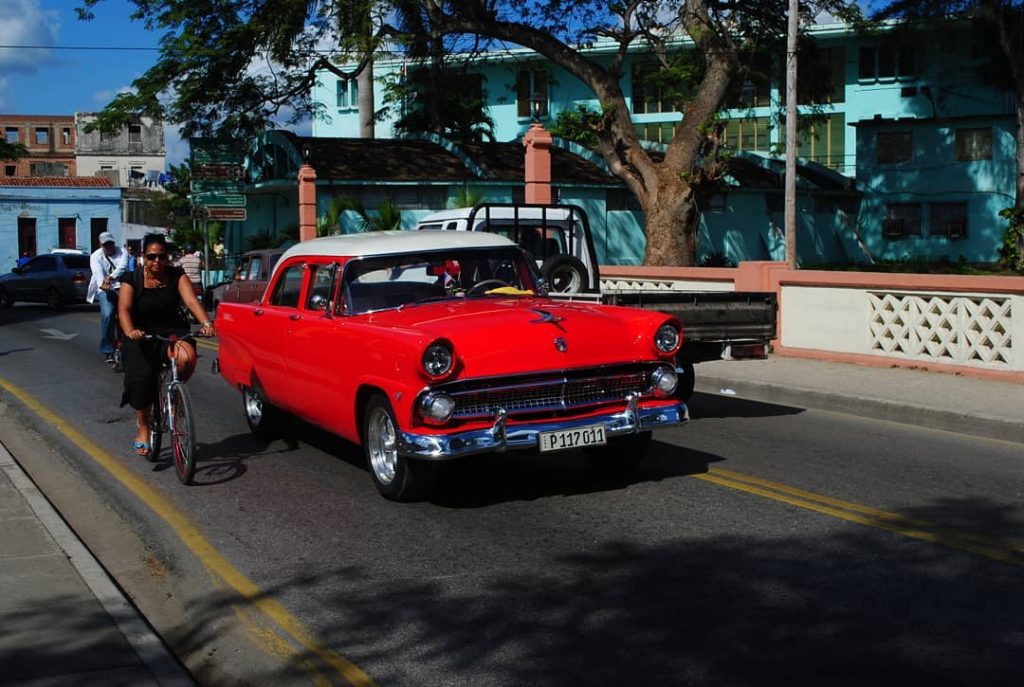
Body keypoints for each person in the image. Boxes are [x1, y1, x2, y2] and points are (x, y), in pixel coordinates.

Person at [118, 234, 215, 457]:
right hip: (140, 334)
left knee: (186, 357)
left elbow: (191, 302)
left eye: (162, 257)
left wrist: (206, 323)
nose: (157, 261)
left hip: (171, 330)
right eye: (152, 256)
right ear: (143, 257)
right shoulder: (131, 279)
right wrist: (130, 331)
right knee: (142, 379)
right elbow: (123, 309)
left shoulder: (176, 276)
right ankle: (143, 428)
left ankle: (173, 393)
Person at [87, 232, 128, 366]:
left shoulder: (122, 252)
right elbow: (98, 274)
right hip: (105, 289)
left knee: (127, 315)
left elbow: (123, 267)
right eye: (106, 244)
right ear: (100, 245)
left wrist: (110, 277)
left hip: (122, 287)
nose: (109, 246)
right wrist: (104, 283)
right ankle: (108, 348)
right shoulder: (95, 256)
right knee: (108, 315)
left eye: (111, 243)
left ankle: (126, 344)